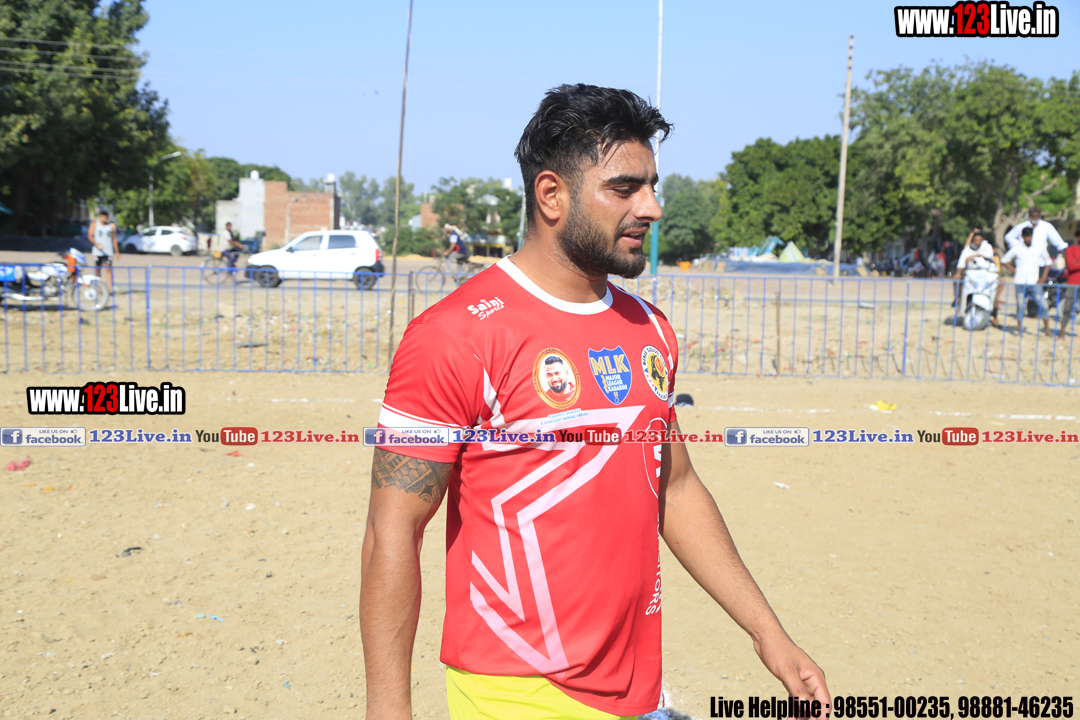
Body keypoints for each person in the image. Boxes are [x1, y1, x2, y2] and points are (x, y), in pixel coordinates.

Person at [360, 84, 830, 720]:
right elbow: (392, 531)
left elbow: (675, 488)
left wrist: (767, 632)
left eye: (652, 186)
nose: (651, 207)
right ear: (551, 195)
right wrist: (388, 710)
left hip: (634, 686)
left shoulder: (650, 329)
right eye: (624, 188)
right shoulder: (456, 335)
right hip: (516, 687)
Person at [1001, 226, 1052, 336]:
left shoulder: (1039, 248)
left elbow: (1048, 262)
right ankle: (1020, 331)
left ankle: (1047, 330)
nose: (1028, 238)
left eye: (1030, 236)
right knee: (1020, 306)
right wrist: (1014, 270)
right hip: (1020, 282)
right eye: (1026, 236)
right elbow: (1004, 260)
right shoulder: (1017, 248)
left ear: (1032, 236)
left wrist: (1043, 278)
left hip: (1034, 282)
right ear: (1022, 236)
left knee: (1043, 305)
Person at [953, 231, 998, 306]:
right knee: (957, 279)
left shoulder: (987, 247)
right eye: (976, 240)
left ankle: (994, 304)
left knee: (997, 283)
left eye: (980, 240)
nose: (978, 242)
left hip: (985, 275)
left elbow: (989, 257)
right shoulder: (968, 249)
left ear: (983, 240)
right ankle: (958, 299)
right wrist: (958, 273)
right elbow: (961, 262)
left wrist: (975, 256)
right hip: (971, 274)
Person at [87, 210, 118, 292]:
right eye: (103, 216)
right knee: (98, 270)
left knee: (108, 269)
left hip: (108, 252)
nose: (104, 218)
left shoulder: (111, 226)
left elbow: (114, 239)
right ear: (100, 217)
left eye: (106, 217)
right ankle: (98, 288)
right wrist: (97, 244)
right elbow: (90, 236)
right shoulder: (94, 224)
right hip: (98, 252)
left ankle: (110, 289)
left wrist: (117, 252)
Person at [1057, 229, 1080, 337]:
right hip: (1073, 283)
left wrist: (1077, 263)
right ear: (1077, 237)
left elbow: (1075, 265)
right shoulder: (1070, 250)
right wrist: (1075, 264)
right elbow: (1071, 266)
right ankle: (1062, 333)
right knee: (1068, 307)